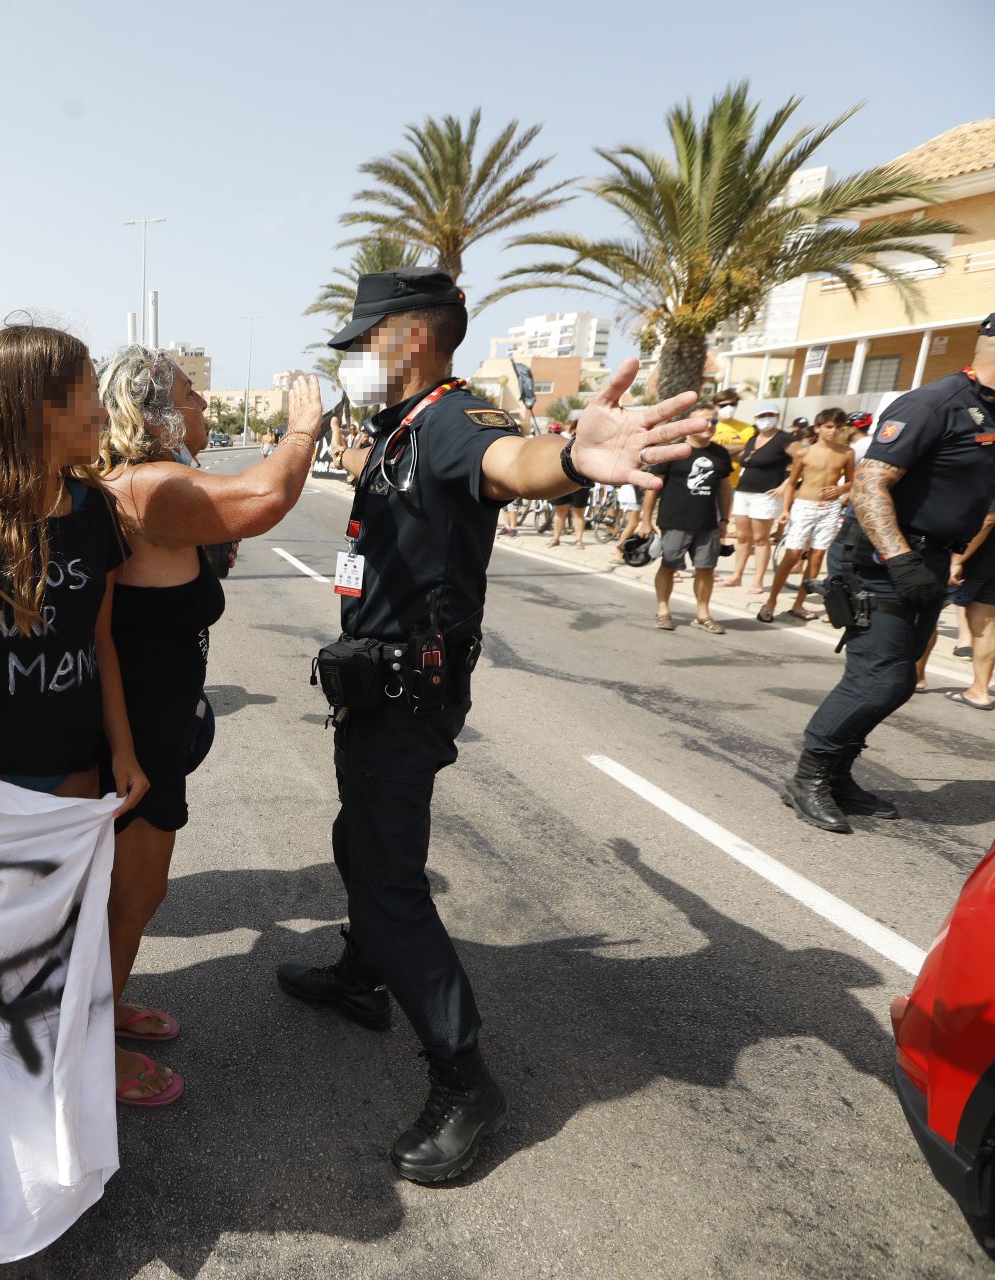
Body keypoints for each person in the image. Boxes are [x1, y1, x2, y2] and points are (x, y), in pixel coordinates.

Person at [276, 267, 711, 1183]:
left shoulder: (450, 420)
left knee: (390, 878)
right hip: (374, 688)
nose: (356, 356)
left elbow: (508, 463)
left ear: (415, 338)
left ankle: (463, 1078)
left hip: (407, 695)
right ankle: (363, 976)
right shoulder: (400, 427)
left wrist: (569, 456)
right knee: (359, 845)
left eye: (367, 339)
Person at [0, 327, 154, 1099]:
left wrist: (123, 749)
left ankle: (62, 1080)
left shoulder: (97, 513)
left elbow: (102, 642)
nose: (100, 411)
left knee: (62, 937)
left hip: (76, 772)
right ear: (38, 410)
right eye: (86, 394)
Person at [93, 347, 326, 1106]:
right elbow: (263, 500)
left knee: (126, 895)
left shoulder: (144, 481)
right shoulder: (152, 486)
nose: (201, 406)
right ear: (158, 411)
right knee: (133, 895)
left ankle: (105, 1005)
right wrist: (302, 428)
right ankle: (90, 1049)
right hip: (138, 734)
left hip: (155, 722)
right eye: (192, 394)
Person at [783, 314, 995, 833]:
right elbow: (870, 485)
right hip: (883, 558)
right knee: (877, 678)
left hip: (932, 558)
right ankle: (808, 777)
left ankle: (838, 775)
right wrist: (901, 561)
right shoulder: (934, 403)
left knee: (899, 681)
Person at [758, 410, 854, 625]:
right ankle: (771, 601)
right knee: (792, 555)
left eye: (839, 427)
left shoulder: (847, 453)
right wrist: (785, 510)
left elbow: (852, 481)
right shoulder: (804, 453)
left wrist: (841, 491)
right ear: (818, 428)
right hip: (805, 505)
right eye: (829, 426)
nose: (834, 431)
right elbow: (792, 482)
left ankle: (799, 603)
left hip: (829, 508)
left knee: (817, 557)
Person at [640, 425, 734, 634]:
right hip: (675, 520)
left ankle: (702, 615)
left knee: (706, 568)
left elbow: (725, 488)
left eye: (712, 421)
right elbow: (653, 487)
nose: (709, 426)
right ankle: (663, 611)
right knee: (669, 564)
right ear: (690, 426)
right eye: (703, 422)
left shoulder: (720, 453)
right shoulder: (673, 452)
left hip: (708, 522)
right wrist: (646, 520)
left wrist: (725, 520)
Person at [722, 408, 790, 592]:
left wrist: (785, 485)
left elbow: (800, 462)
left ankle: (758, 580)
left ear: (777, 417)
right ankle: (737, 576)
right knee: (743, 537)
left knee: (761, 538)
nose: (765, 419)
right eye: (761, 416)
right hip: (744, 492)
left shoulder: (785, 439)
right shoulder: (753, 439)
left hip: (765, 494)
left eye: (769, 416)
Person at [938, 500, 995, 710]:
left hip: (972, 562)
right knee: (987, 625)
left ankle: (916, 677)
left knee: (927, 610)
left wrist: (957, 560)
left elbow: (988, 519)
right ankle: (980, 691)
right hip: (988, 563)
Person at [548, 414, 588, 547]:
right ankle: (556, 538)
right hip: (563, 480)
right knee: (560, 511)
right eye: (576, 428)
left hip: (581, 482)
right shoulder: (564, 441)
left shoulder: (589, 444)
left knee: (578, 512)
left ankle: (579, 540)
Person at [711, 387, 754, 482]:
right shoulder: (707, 425)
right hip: (708, 482)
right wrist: (742, 446)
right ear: (714, 406)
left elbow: (748, 456)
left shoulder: (748, 428)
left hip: (733, 483)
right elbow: (703, 450)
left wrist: (716, 451)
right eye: (723, 405)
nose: (729, 408)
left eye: (732, 404)